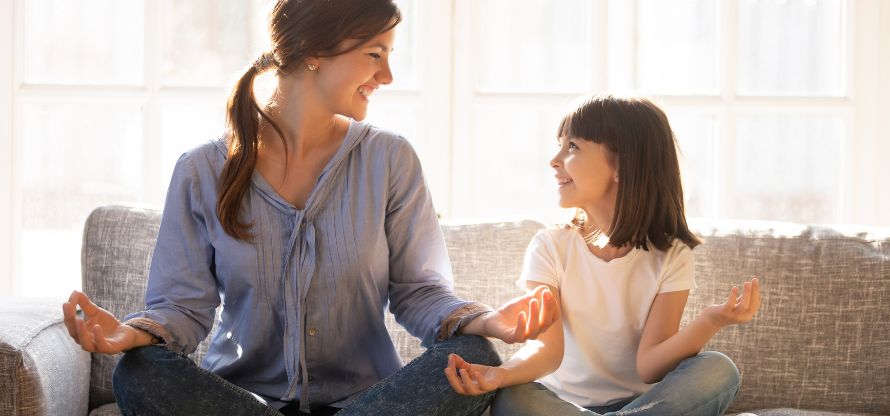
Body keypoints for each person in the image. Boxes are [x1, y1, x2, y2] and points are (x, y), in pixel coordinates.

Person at [60, 1, 559, 415]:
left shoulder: (389, 159)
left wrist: (488, 322)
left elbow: (418, 292)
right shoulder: (201, 170)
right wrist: (131, 333)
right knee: (141, 373)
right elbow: (183, 309)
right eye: (374, 54)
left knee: (472, 355)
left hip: (367, 402)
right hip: (240, 399)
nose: (387, 74)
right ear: (316, 53)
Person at [444, 94, 762, 416]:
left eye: (572, 147)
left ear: (622, 165)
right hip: (563, 406)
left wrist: (710, 321)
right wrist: (504, 374)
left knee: (718, 370)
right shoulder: (550, 246)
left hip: (643, 405)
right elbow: (547, 350)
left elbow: (649, 366)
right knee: (513, 397)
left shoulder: (672, 255)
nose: (554, 160)